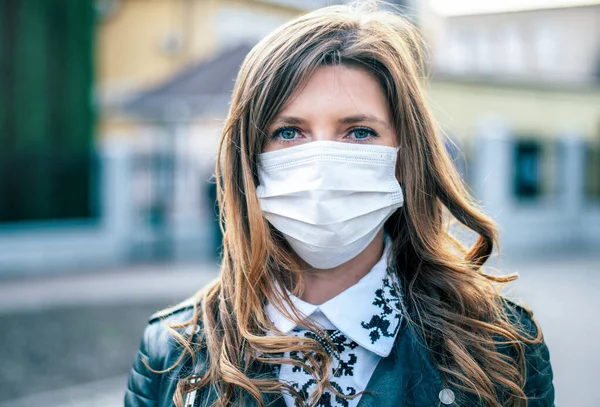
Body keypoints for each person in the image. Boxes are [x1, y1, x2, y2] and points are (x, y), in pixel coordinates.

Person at [124, 3, 554, 407]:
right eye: (289, 132)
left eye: (359, 132)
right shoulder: (171, 351)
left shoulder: (501, 344)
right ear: (249, 161)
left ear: (405, 157)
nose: (322, 165)